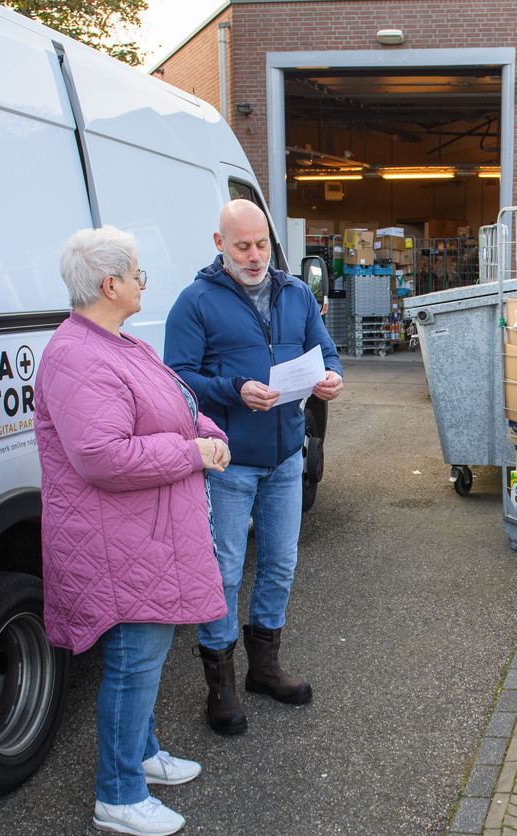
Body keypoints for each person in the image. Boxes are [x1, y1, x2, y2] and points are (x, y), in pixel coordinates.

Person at [37, 226, 231, 836]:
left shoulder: (119, 343)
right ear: (110, 283)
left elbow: (178, 403)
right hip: (115, 541)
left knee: (143, 657)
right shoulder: (76, 356)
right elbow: (102, 456)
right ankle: (117, 794)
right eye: (138, 272)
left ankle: (141, 757)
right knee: (133, 661)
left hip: (142, 536)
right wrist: (192, 452)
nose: (145, 281)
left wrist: (210, 435)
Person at [165, 199, 345, 735]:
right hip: (229, 461)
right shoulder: (195, 302)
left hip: (286, 455)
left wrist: (331, 378)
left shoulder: (296, 294)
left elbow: (327, 353)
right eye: (242, 246)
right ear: (219, 244)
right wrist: (234, 391)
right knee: (223, 570)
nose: (255, 255)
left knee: (280, 563)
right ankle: (219, 684)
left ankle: (264, 668)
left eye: (262, 244)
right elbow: (175, 379)